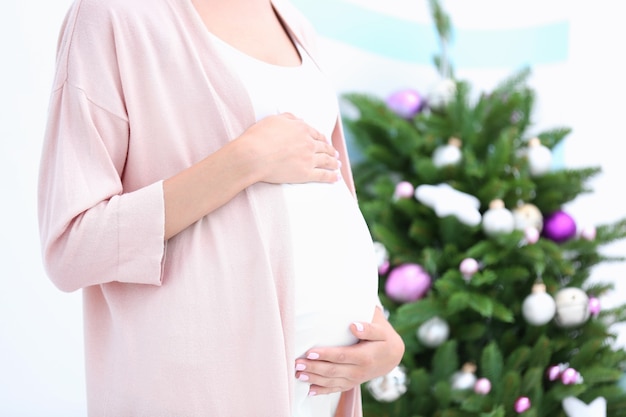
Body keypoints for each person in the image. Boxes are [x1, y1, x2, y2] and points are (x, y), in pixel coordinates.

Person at [37, 0, 405, 415]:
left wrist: (378, 334)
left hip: (319, 395)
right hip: (200, 387)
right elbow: (73, 247)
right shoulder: (113, 14)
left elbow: (321, 193)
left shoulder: (295, 23)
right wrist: (244, 160)